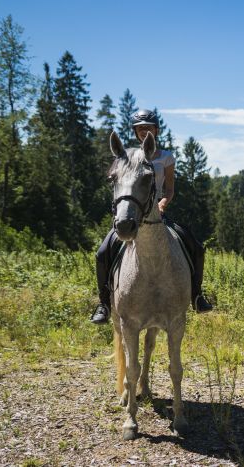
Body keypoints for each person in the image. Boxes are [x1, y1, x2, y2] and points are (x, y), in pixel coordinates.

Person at [90, 109, 215, 324]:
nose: (144, 131)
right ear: (135, 132)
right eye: (140, 128)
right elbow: (116, 180)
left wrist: (163, 204)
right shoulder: (126, 156)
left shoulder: (166, 157)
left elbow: (169, 189)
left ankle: (196, 295)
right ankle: (104, 303)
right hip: (131, 213)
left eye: (148, 127)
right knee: (103, 253)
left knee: (195, 246)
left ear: (156, 130)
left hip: (157, 212)